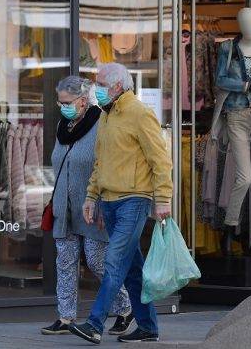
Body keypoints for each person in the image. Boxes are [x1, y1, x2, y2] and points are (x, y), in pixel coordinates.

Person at [69, 63, 173, 344]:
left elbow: (160, 160)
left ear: (116, 86)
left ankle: (94, 323)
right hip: (110, 201)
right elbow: (99, 162)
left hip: (133, 200)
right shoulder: (107, 115)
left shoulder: (139, 114)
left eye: (101, 84)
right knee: (131, 268)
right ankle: (148, 327)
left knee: (114, 262)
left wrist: (163, 197)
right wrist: (92, 196)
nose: (96, 89)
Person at [41, 76, 134, 336]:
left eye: (67, 102)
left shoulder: (101, 123)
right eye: (60, 102)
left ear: (83, 101)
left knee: (96, 261)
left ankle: (125, 307)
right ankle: (66, 317)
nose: (63, 106)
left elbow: (106, 164)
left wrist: (103, 202)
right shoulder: (63, 126)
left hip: (92, 205)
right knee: (66, 261)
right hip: (64, 206)